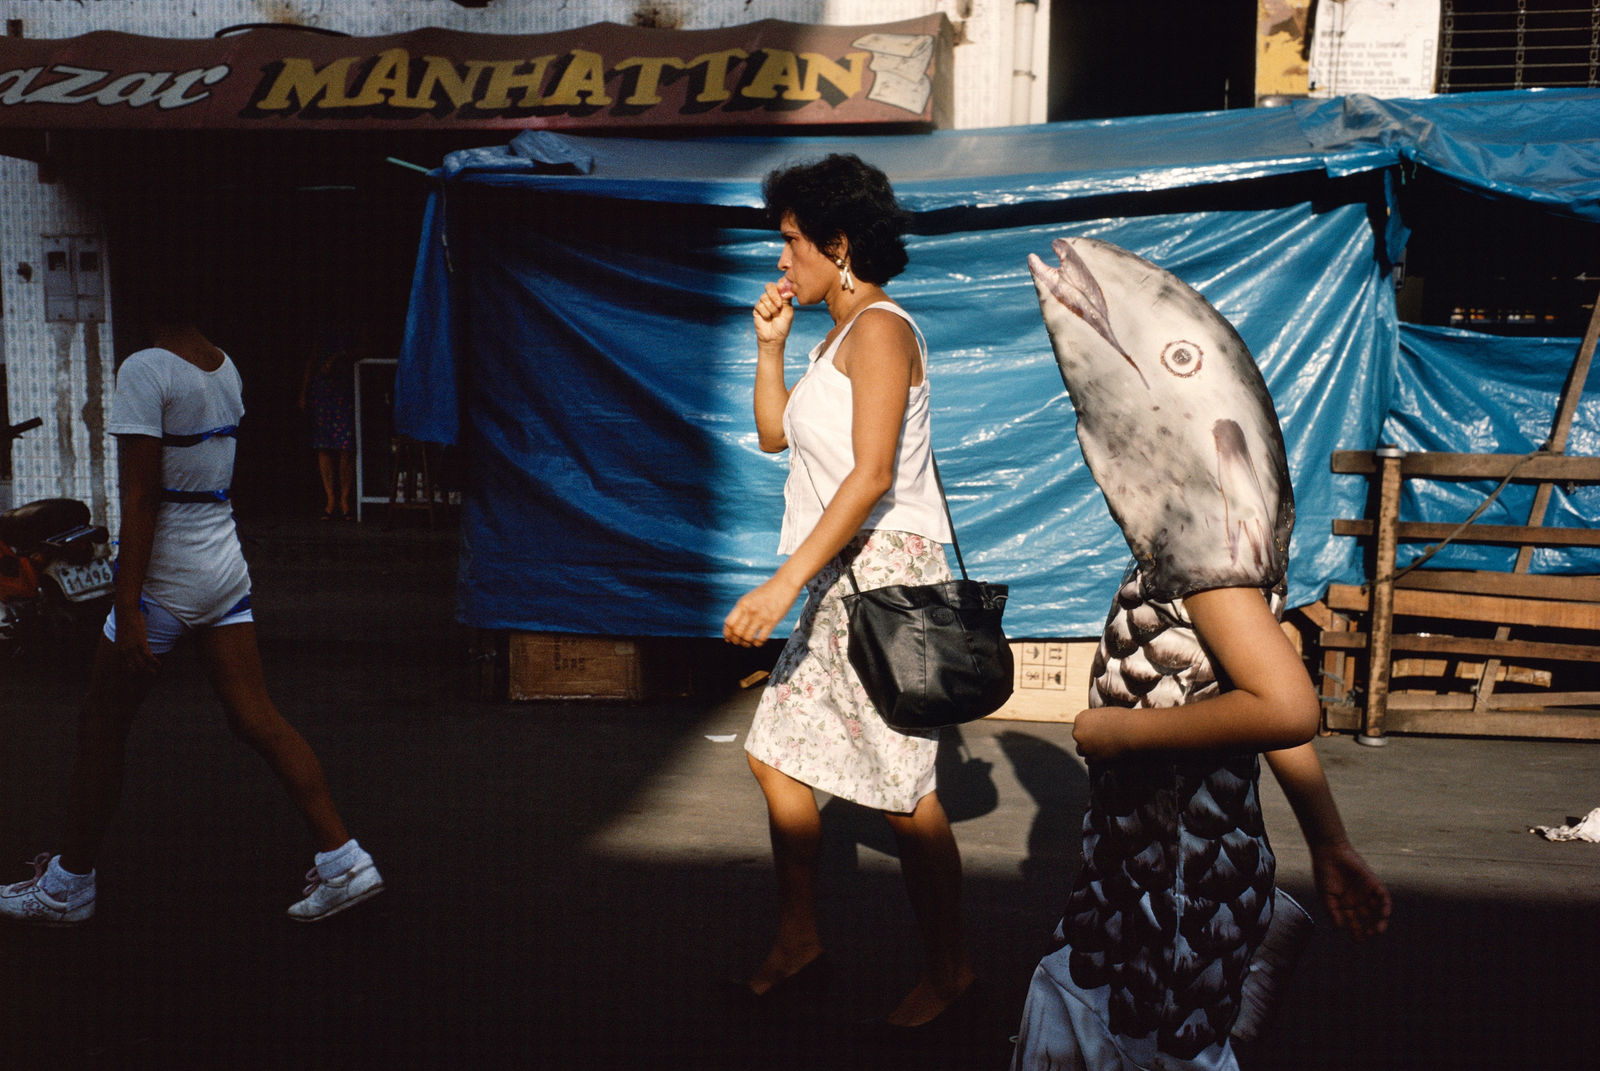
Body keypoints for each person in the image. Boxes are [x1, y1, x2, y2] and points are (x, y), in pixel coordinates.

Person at [1011, 237, 1390, 1069]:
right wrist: (1329, 842)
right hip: (1145, 874)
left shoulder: (1210, 566)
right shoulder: (1197, 556)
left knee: (1146, 1041)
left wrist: (1117, 735)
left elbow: (1288, 704)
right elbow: (1269, 700)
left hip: (1177, 900)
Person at [0, 295, 382, 927]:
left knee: (101, 725)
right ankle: (346, 861)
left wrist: (127, 607)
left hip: (167, 573)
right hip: (222, 563)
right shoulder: (223, 365)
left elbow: (143, 493)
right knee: (257, 718)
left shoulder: (145, 368)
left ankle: (67, 886)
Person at [722, 154, 977, 1033]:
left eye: (791, 241)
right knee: (776, 751)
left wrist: (781, 582)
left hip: (885, 575)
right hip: (840, 574)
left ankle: (951, 969)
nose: (779, 258)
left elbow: (870, 477)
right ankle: (799, 939)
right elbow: (770, 433)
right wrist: (770, 347)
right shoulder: (834, 332)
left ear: (838, 243)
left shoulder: (880, 329)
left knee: (902, 793)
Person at [298, 326, 359, 521]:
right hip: (324, 391)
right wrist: (304, 392)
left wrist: (338, 357)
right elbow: (312, 361)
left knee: (346, 447)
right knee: (323, 446)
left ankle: (345, 499)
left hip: (345, 389)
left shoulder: (351, 333)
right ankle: (330, 499)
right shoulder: (321, 333)